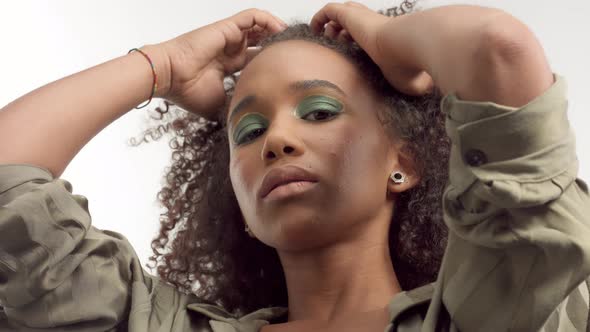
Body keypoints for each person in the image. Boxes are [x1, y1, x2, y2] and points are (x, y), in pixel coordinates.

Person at [0, 1, 588, 331]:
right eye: (249, 130)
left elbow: (497, 49)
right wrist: (164, 66)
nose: (276, 138)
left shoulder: (488, 310)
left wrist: (391, 44)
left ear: (403, 163)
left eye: (319, 110)